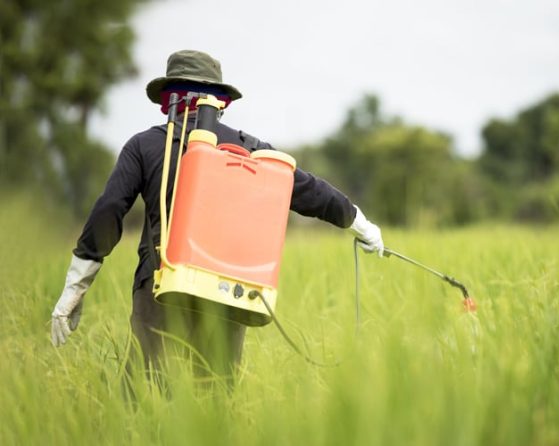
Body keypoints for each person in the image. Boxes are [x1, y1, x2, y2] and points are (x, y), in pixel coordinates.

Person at [50, 49, 384, 378]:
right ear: (220, 102)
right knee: (214, 402)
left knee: (144, 391)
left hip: (161, 282)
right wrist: (361, 224)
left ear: (169, 99)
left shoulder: (145, 145)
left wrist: (75, 287)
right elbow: (309, 191)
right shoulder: (252, 150)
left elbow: (109, 208)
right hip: (229, 290)